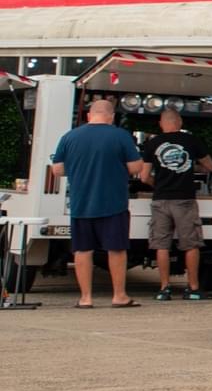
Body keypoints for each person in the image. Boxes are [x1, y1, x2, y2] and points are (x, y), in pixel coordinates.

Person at [50, 98, 146, 307]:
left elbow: (57, 169)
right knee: (117, 249)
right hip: (114, 204)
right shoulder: (120, 136)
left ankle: (85, 298)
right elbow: (135, 167)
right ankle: (119, 296)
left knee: (82, 250)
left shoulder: (70, 137)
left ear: (88, 115)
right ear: (111, 117)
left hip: (81, 204)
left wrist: (77, 168)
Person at [140, 107, 212, 300]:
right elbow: (210, 167)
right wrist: (191, 165)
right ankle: (193, 288)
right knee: (190, 244)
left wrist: (157, 184)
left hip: (160, 199)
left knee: (162, 245)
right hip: (185, 199)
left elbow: (143, 176)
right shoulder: (191, 141)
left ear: (161, 123)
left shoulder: (152, 144)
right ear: (180, 122)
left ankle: (164, 289)